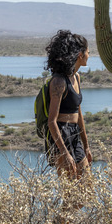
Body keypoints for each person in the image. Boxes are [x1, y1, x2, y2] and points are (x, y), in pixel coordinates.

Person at [44, 30, 92, 180]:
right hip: (61, 136)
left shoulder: (76, 78)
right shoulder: (58, 82)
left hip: (75, 134)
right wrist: (64, 153)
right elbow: (52, 121)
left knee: (87, 190)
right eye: (88, 52)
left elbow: (78, 115)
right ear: (80, 55)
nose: (89, 55)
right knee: (70, 194)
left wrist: (86, 145)